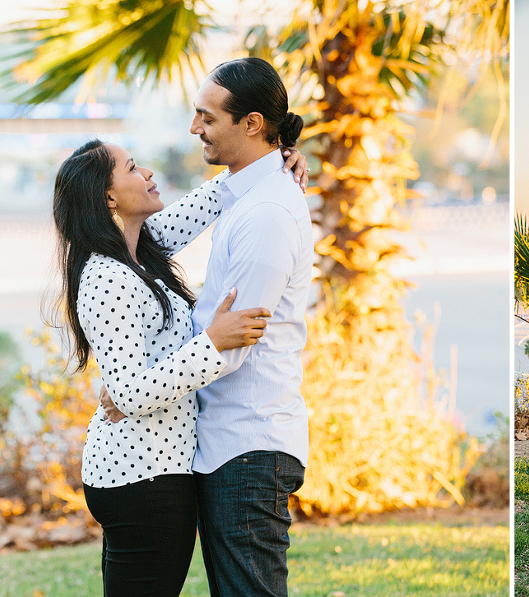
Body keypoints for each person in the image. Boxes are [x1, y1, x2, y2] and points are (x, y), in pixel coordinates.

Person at [53, 139, 307, 596]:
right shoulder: (106, 275)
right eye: (132, 168)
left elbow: (214, 196)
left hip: (153, 467)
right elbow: (129, 394)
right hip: (141, 473)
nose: (148, 173)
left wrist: (277, 163)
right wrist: (213, 342)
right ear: (109, 198)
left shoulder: (140, 248)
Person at [187, 57, 313, 597]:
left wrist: (139, 388)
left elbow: (233, 344)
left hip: (249, 445)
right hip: (233, 442)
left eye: (207, 117)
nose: (195, 128)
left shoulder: (266, 214)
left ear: (252, 123)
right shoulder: (247, 196)